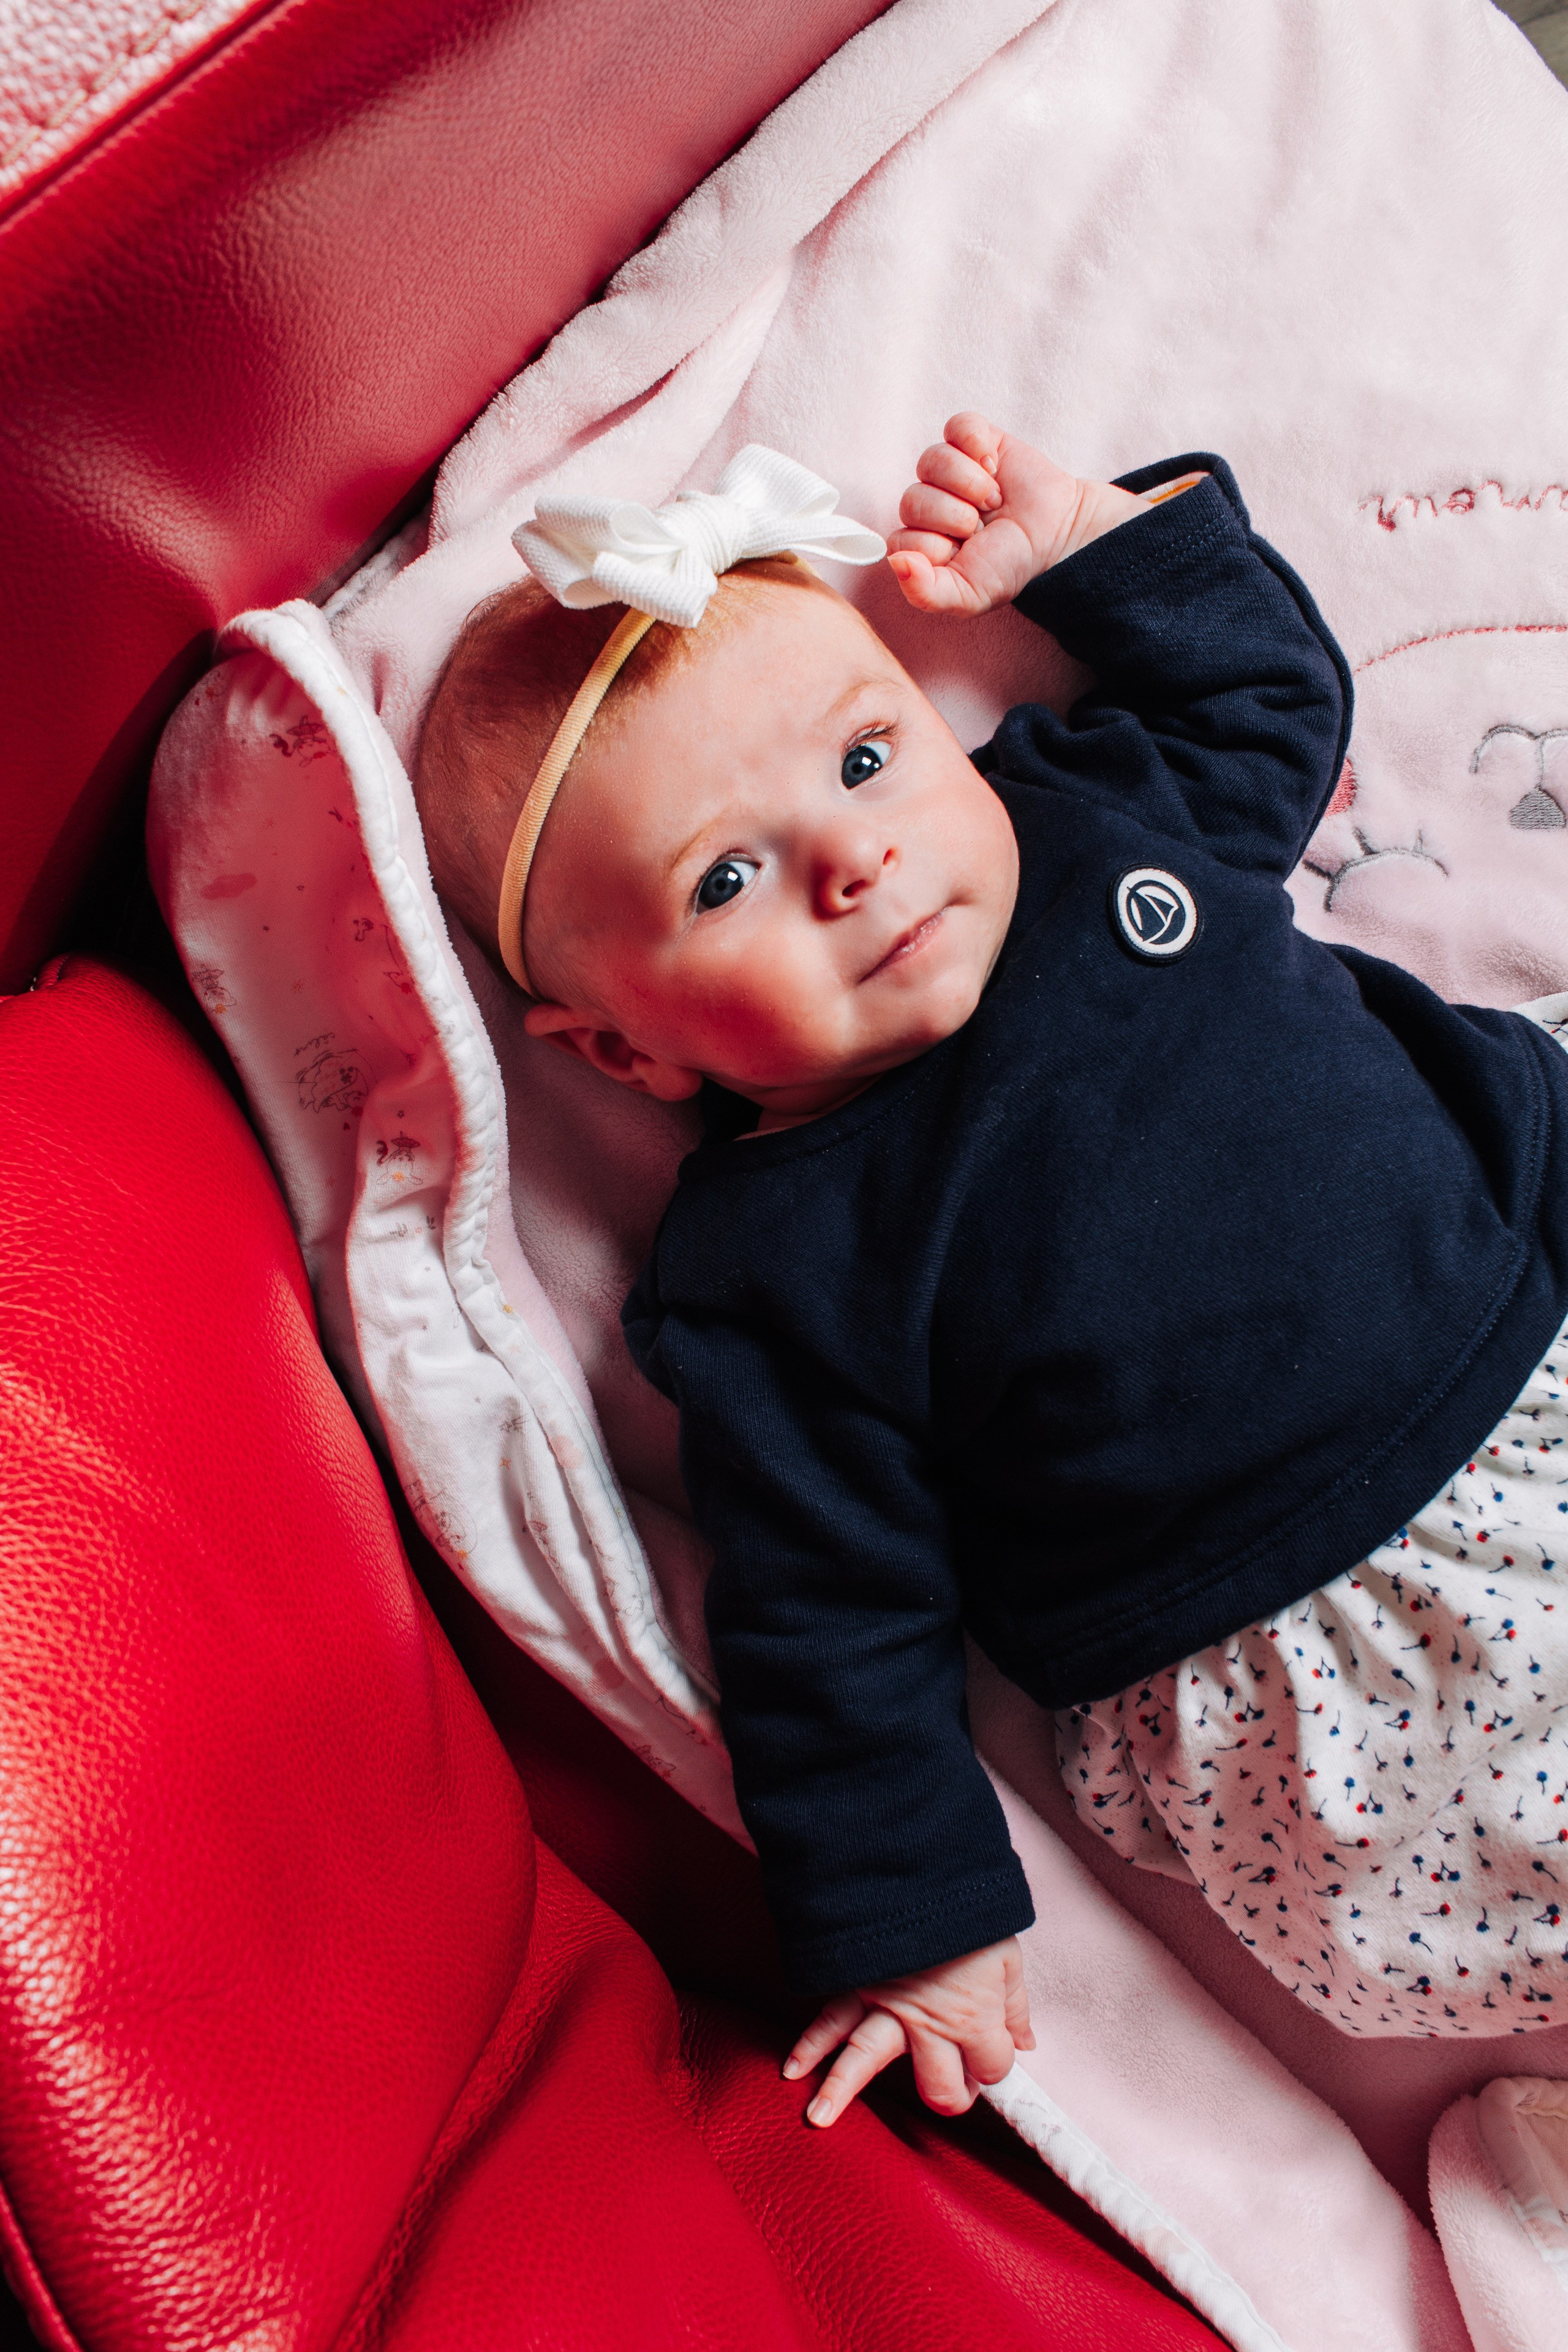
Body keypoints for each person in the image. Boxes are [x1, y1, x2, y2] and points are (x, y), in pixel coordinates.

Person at [414, 416, 1568, 2132]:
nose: (855, 860)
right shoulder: (772, 1270)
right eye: (727, 878)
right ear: (626, 1052)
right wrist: (911, 1913)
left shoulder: (1090, 819)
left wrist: (1092, 543)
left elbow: (1268, 701)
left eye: (867, 757)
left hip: (1528, 1302)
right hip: (1327, 1653)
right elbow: (825, 1613)